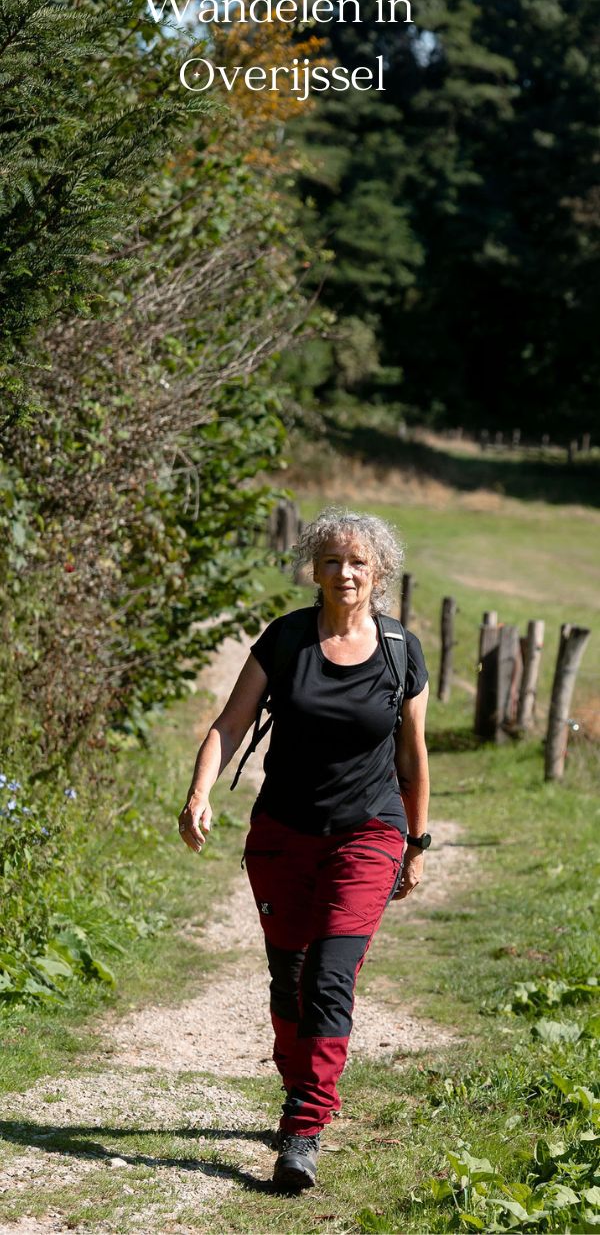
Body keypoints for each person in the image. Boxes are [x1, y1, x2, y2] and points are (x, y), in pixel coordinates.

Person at [178, 507, 430, 1192]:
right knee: (288, 978)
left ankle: (303, 1125)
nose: (344, 572)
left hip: (369, 831)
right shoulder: (286, 639)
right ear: (313, 569)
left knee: (328, 976)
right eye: (331, 561)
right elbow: (229, 726)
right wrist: (200, 793)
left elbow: (412, 754)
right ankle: (301, 1083)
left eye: (357, 562)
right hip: (284, 833)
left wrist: (416, 841)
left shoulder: (402, 650)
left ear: (378, 572)